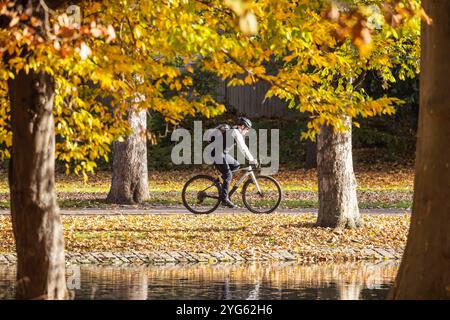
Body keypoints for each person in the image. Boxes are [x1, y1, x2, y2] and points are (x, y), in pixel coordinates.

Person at [213, 116, 258, 208]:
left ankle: (220, 182)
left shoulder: (234, 130)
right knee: (228, 175)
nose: (247, 131)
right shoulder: (235, 132)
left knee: (236, 165)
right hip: (216, 154)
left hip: (221, 153)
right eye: (247, 128)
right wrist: (252, 159)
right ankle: (224, 199)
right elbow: (243, 148)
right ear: (242, 126)